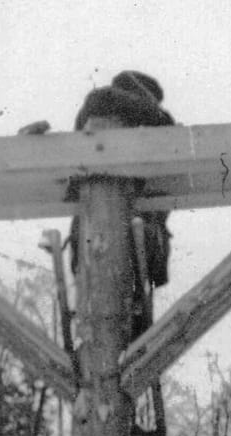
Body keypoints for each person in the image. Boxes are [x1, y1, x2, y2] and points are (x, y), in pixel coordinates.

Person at [67, 70, 174, 294]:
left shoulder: (97, 112)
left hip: (110, 246)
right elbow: (164, 122)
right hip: (123, 244)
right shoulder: (106, 102)